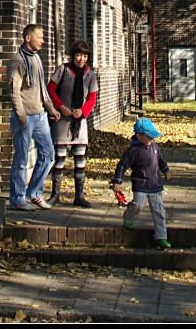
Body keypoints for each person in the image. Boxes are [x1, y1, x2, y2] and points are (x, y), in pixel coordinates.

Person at [7, 23, 60, 211]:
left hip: (41, 116)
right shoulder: (17, 61)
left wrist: (51, 109)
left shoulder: (36, 58)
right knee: (21, 160)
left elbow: (41, 88)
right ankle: (17, 198)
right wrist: (21, 116)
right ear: (28, 38)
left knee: (48, 155)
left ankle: (34, 193)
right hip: (25, 118)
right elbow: (14, 92)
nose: (43, 41)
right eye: (40, 37)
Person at [46, 39, 98, 208]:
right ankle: (55, 195)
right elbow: (50, 89)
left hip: (79, 122)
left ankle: (79, 195)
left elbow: (92, 97)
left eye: (84, 56)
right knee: (59, 158)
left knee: (80, 159)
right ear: (73, 55)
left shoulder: (90, 75)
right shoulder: (63, 70)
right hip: (63, 120)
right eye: (78, 55)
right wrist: (60, 106)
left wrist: (83, 111)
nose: (81, 59)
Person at [111, 117, 171, 249]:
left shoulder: (154, 146)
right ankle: (129, 217)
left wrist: (165, 170)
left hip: (155, 185)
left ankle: (161, 236)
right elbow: (122, 166)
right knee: (138, 205)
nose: (152, 140)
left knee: (159, 210)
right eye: (149, 137)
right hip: (141, 185)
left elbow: (161, 159)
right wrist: (117, 181)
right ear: (139, 136)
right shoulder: (134, 151)